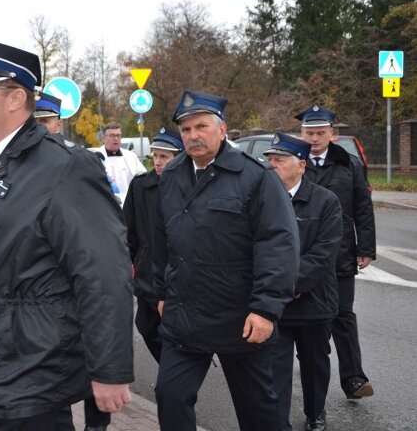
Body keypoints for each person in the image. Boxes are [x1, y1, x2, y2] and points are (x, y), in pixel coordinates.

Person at [0, 39, 134, 429]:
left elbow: (103, 274)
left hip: (32, 367)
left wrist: (110, 368)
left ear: (16, 98)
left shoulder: (66, 168)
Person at [153, 90, 299, 431]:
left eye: (201, 126)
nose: (193, 136)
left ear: (222, 129)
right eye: (186, 130)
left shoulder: (255, 177)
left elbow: (278, 242)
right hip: (185, 319)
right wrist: (161, 292)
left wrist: (265, 309)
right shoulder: (172, 175)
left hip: (241, 321)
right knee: (170, 397)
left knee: (260, 414)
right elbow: (163, 240)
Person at [35, 89, 112, 431]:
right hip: (44, 288)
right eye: (33, 122)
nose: (40, 128)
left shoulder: (79, 160)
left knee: (92, 351)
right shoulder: (21, 164)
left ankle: (97, 423)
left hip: (80, 276)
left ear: (58, 122)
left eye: (45, 121)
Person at [296, 104, 377, 400]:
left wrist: (366, 248)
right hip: (303, 256)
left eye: (320, 133)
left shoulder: (349, 163)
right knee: (307, 322)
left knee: (343, 315)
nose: (314, 138)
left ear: (332, 134)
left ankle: (354, 378)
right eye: (309, 132)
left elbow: (362, 208)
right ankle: (309, 384)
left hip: (341, 254)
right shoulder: (294, 161)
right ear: (301, 134)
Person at [263, 133, 342, 431]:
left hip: (313, 302)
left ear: (301, 166)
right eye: (269, 160)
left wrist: (290, 285)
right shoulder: (262, 199)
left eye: (279, 161)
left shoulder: (325, 201)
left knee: (314, 364)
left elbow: (324, 254)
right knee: (275, 368)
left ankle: (315, 412)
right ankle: (278, 422)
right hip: (276, 305)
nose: (272, 165)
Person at [123, 126, 183, 366]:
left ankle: (174, 379)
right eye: (155, 156)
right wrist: (128, 261)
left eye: (164, 157)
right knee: (146, 327)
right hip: (148, 272)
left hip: (177, 273)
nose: (158, 162)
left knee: (173, 331)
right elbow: (128, 231)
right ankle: (170, 370)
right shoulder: (140, 187)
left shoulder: (188, 186)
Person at [94, 123, 146, 204]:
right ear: (104, 138)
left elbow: (142, 177)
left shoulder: (130, 156)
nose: (116, 138)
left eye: (118, 135)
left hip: (129, 202)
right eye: (112, 135)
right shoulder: (96, 157)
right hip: (105, 203)